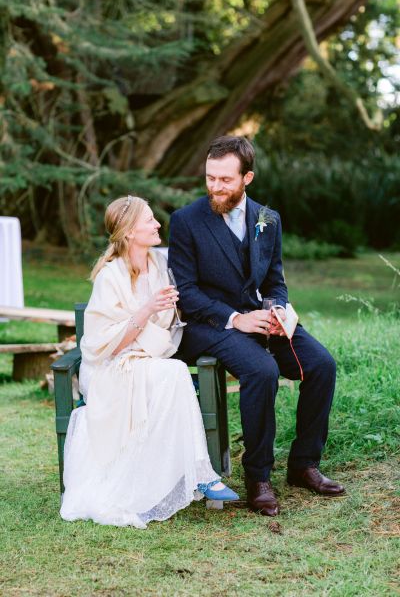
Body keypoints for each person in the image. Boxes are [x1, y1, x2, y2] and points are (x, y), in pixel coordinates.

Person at [168, 136, 345, 517]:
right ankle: (258, 478)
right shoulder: (185, 221)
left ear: (247, 177)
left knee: (322, 365)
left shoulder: (269, 219)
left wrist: (278, 310)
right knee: (262, 371)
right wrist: (236, 318)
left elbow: (275, 281)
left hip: (262, 318)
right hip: (211, 324)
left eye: (225, 180)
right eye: (210, 178)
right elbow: (186, 293)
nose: (215, 187)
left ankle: (304, 465)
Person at [60, 195, 238, 529]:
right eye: (149, 220)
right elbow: (103, 345)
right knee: (174, 374)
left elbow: (168, 327)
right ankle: (199, 473)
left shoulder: (158, 264)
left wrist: (169, 310)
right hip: (110, 371)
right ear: (129, 232)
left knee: (171, 374)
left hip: (148, 358)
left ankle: (190, 474)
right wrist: (147, 310)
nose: (158, 225)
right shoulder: (109, 277)